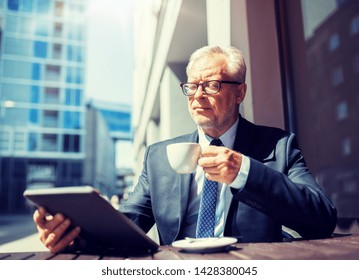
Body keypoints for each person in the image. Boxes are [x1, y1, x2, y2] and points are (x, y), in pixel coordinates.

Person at [33, 46, 337, 253]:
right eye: (192, 86)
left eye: (212, 85)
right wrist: (76, 234)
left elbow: (322, 218)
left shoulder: (279, 146)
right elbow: (130, 223)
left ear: (239, 93)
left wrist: (244, 171)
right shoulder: (158, 156)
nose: (198, 96)